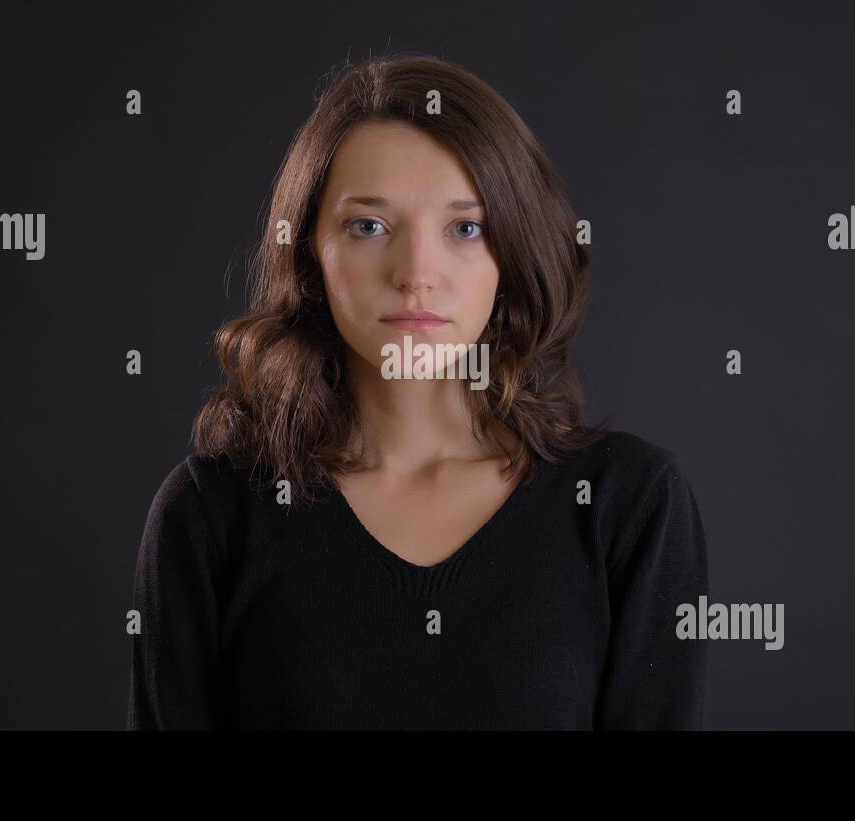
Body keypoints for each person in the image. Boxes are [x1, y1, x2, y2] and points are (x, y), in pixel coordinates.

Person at [128, 53, 709, 730]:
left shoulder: (628, 507)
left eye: (466, 228)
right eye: (368, 226)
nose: (416, 275)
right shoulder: (211, 514)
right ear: (310, 251)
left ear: (512, 253)